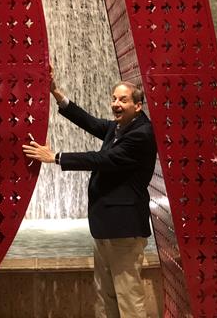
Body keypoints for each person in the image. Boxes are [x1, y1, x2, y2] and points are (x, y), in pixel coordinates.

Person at [22, 69, 157, 317]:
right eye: (114, 99)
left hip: (124, 229)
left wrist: (56, 157)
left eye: (123, 100)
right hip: (106, 226)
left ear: (138, 106)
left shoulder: (141, 134)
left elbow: (101, 159)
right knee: (106, 295)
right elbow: (90, 122)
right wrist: (55, 92)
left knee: (128, 297)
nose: (116, 104)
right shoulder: (120, 127)